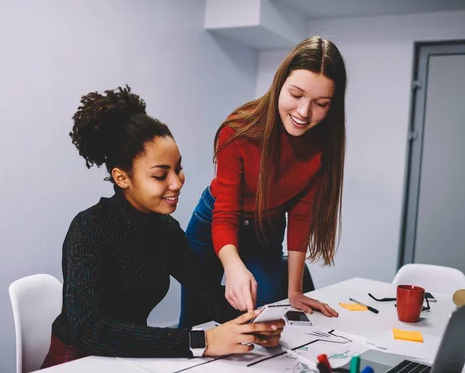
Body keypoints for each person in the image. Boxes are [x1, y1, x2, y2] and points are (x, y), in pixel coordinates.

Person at [41, 86, 285, 368]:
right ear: (122, 178)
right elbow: (90, 331)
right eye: (160, 175)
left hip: (128, 358)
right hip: (77, 362)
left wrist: (250, 323)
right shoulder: (89, 229)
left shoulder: (165, 230)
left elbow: (205, 291)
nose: (177, 182)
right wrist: (201, 341)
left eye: (178, 168)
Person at [180, 36, 346, 328]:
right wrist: (232, 266)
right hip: (213, 222)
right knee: (194, 323)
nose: (304, 113)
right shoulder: (239, 129)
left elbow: (300, 217)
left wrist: (295, 291)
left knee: (268, 316)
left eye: (320, 104)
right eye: (296, 94)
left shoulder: (322, 145)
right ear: (279, 83)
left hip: (265, 228)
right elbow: (225, 213)